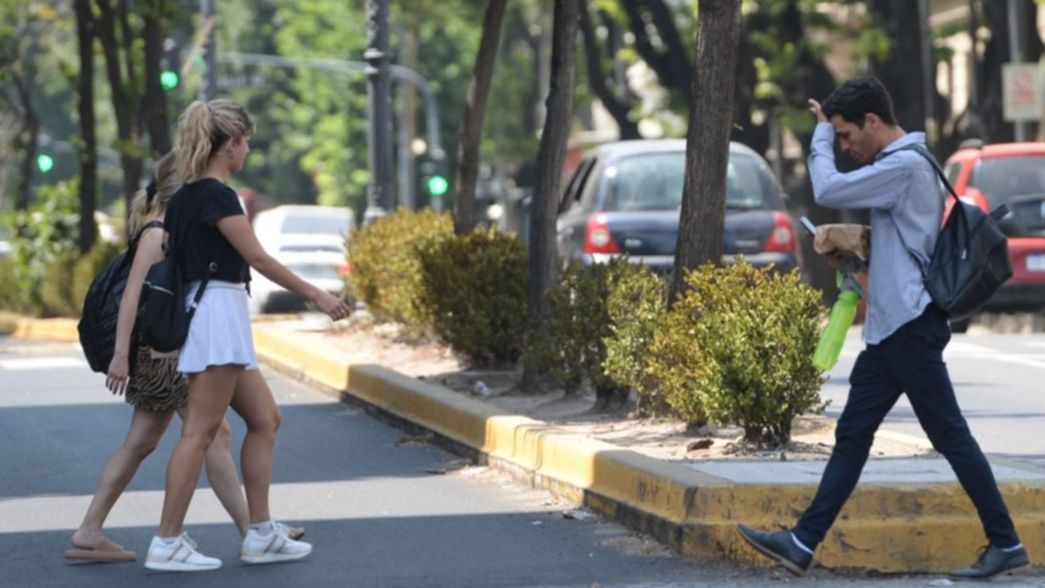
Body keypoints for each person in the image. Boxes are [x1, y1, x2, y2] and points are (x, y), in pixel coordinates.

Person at [735, 77, 1030, 581]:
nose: (847, 146)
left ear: (873, 120)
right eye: (840, 139)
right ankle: (802, 543)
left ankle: (1005, 542)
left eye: (849, 135)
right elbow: (902, 242)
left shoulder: (905, 165)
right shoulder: (899, 167)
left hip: (911, 327)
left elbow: (826, 187)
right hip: (893, 329)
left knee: (950, 437)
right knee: (853, 436)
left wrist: (821, 135)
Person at [144, 99, 350, 572]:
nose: (248, 150)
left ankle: (260, 533)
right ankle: (167, 541)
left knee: (265, 418)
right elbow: (257, 257)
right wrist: (316, 294)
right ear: (230, 143)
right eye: (246, 142)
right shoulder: (217, 195)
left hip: (214, 310)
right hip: (217, 311)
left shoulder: (183, 198)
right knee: (199, 432)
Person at [67, 154, 303, 563]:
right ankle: (253, 530)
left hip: (165, 350)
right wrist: (121, 354)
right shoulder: (159, 232)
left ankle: (91, 529)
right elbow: (132, 297)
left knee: (150, 440)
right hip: (167, 353)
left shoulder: (169, 226)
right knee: (203, 436)